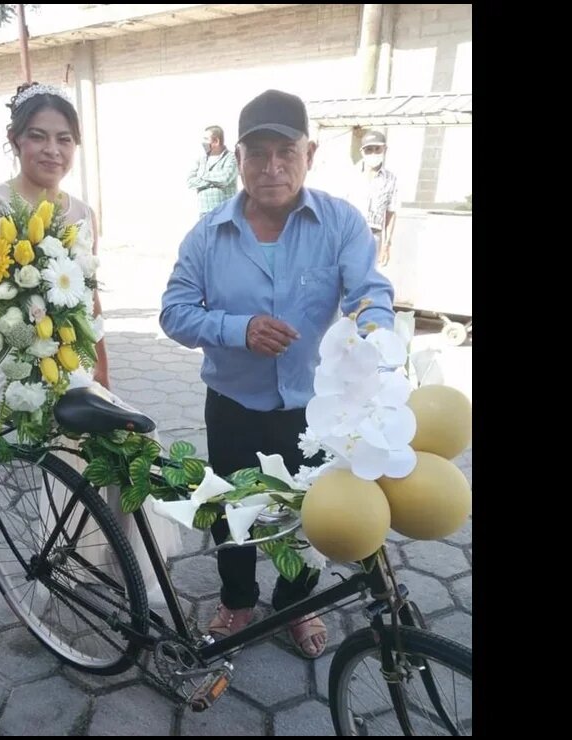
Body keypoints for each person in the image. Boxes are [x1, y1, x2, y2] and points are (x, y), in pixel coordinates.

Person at [159, 90, 395, 659]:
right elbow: (174, 311)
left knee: (311, 518)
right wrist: (236, 329)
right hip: (233, 406)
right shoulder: (207, 234)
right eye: (257, 153)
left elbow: (371, 295)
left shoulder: (337, 222)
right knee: (231, 512)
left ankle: (295, 602)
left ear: (309, 153)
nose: (272, 168)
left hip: (315, 413)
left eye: (285, 152)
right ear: (236, 158)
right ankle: (237, 598)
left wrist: (375, 344)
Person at [0, 82, 182, 601]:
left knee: (135, 443)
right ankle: (58, 568)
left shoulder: (83, 213)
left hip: (74, 361)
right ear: (15, 140)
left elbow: (90, 301)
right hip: (20, 362)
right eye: (38, 136)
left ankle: (120, 561)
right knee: (72, 456)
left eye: (65, 139)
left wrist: (103, 368)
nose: (53, 150)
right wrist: (8, 299)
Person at [345, 130, 400, 267]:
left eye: (377, 149)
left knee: (367, 281)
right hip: (350, 236)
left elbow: (390, 213)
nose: (373, 153)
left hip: (373, 236)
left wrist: (386, 245)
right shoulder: (350, 175)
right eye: (369, 150)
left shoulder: (390, 180)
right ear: (362, 152)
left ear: (384, 150)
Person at [186, 125, 239, 217]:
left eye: (206, 139)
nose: (203, 142)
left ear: (216, 141)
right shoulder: (201, 160)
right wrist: (213, 183)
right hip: (204, 214)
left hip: (225, 213)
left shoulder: (232, 158)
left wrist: (202, 175)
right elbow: (190, 181)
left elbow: (224, 179)